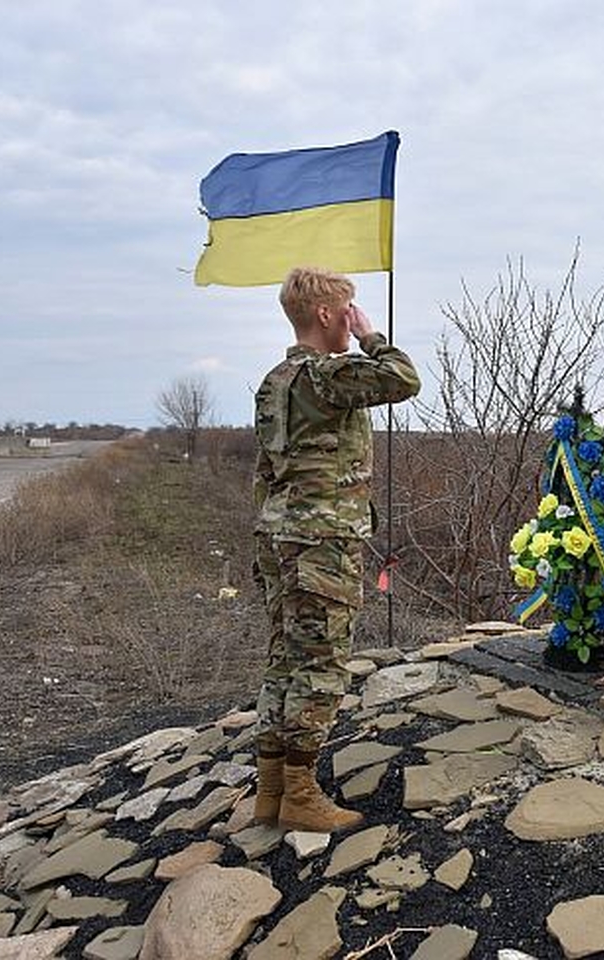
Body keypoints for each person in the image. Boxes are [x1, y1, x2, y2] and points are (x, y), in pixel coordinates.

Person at [251, 266, 420, 833]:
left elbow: (265, 471)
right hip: (322, 542)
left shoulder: (274, 381)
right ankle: (300, 794)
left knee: (284, 661)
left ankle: (270, 792)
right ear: (326, 314)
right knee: (320, 665)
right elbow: (402, 379)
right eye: (346, 309)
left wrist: (268, 536)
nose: (350, 319)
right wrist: (373, 336)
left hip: (281, 536)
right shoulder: (328, 374)